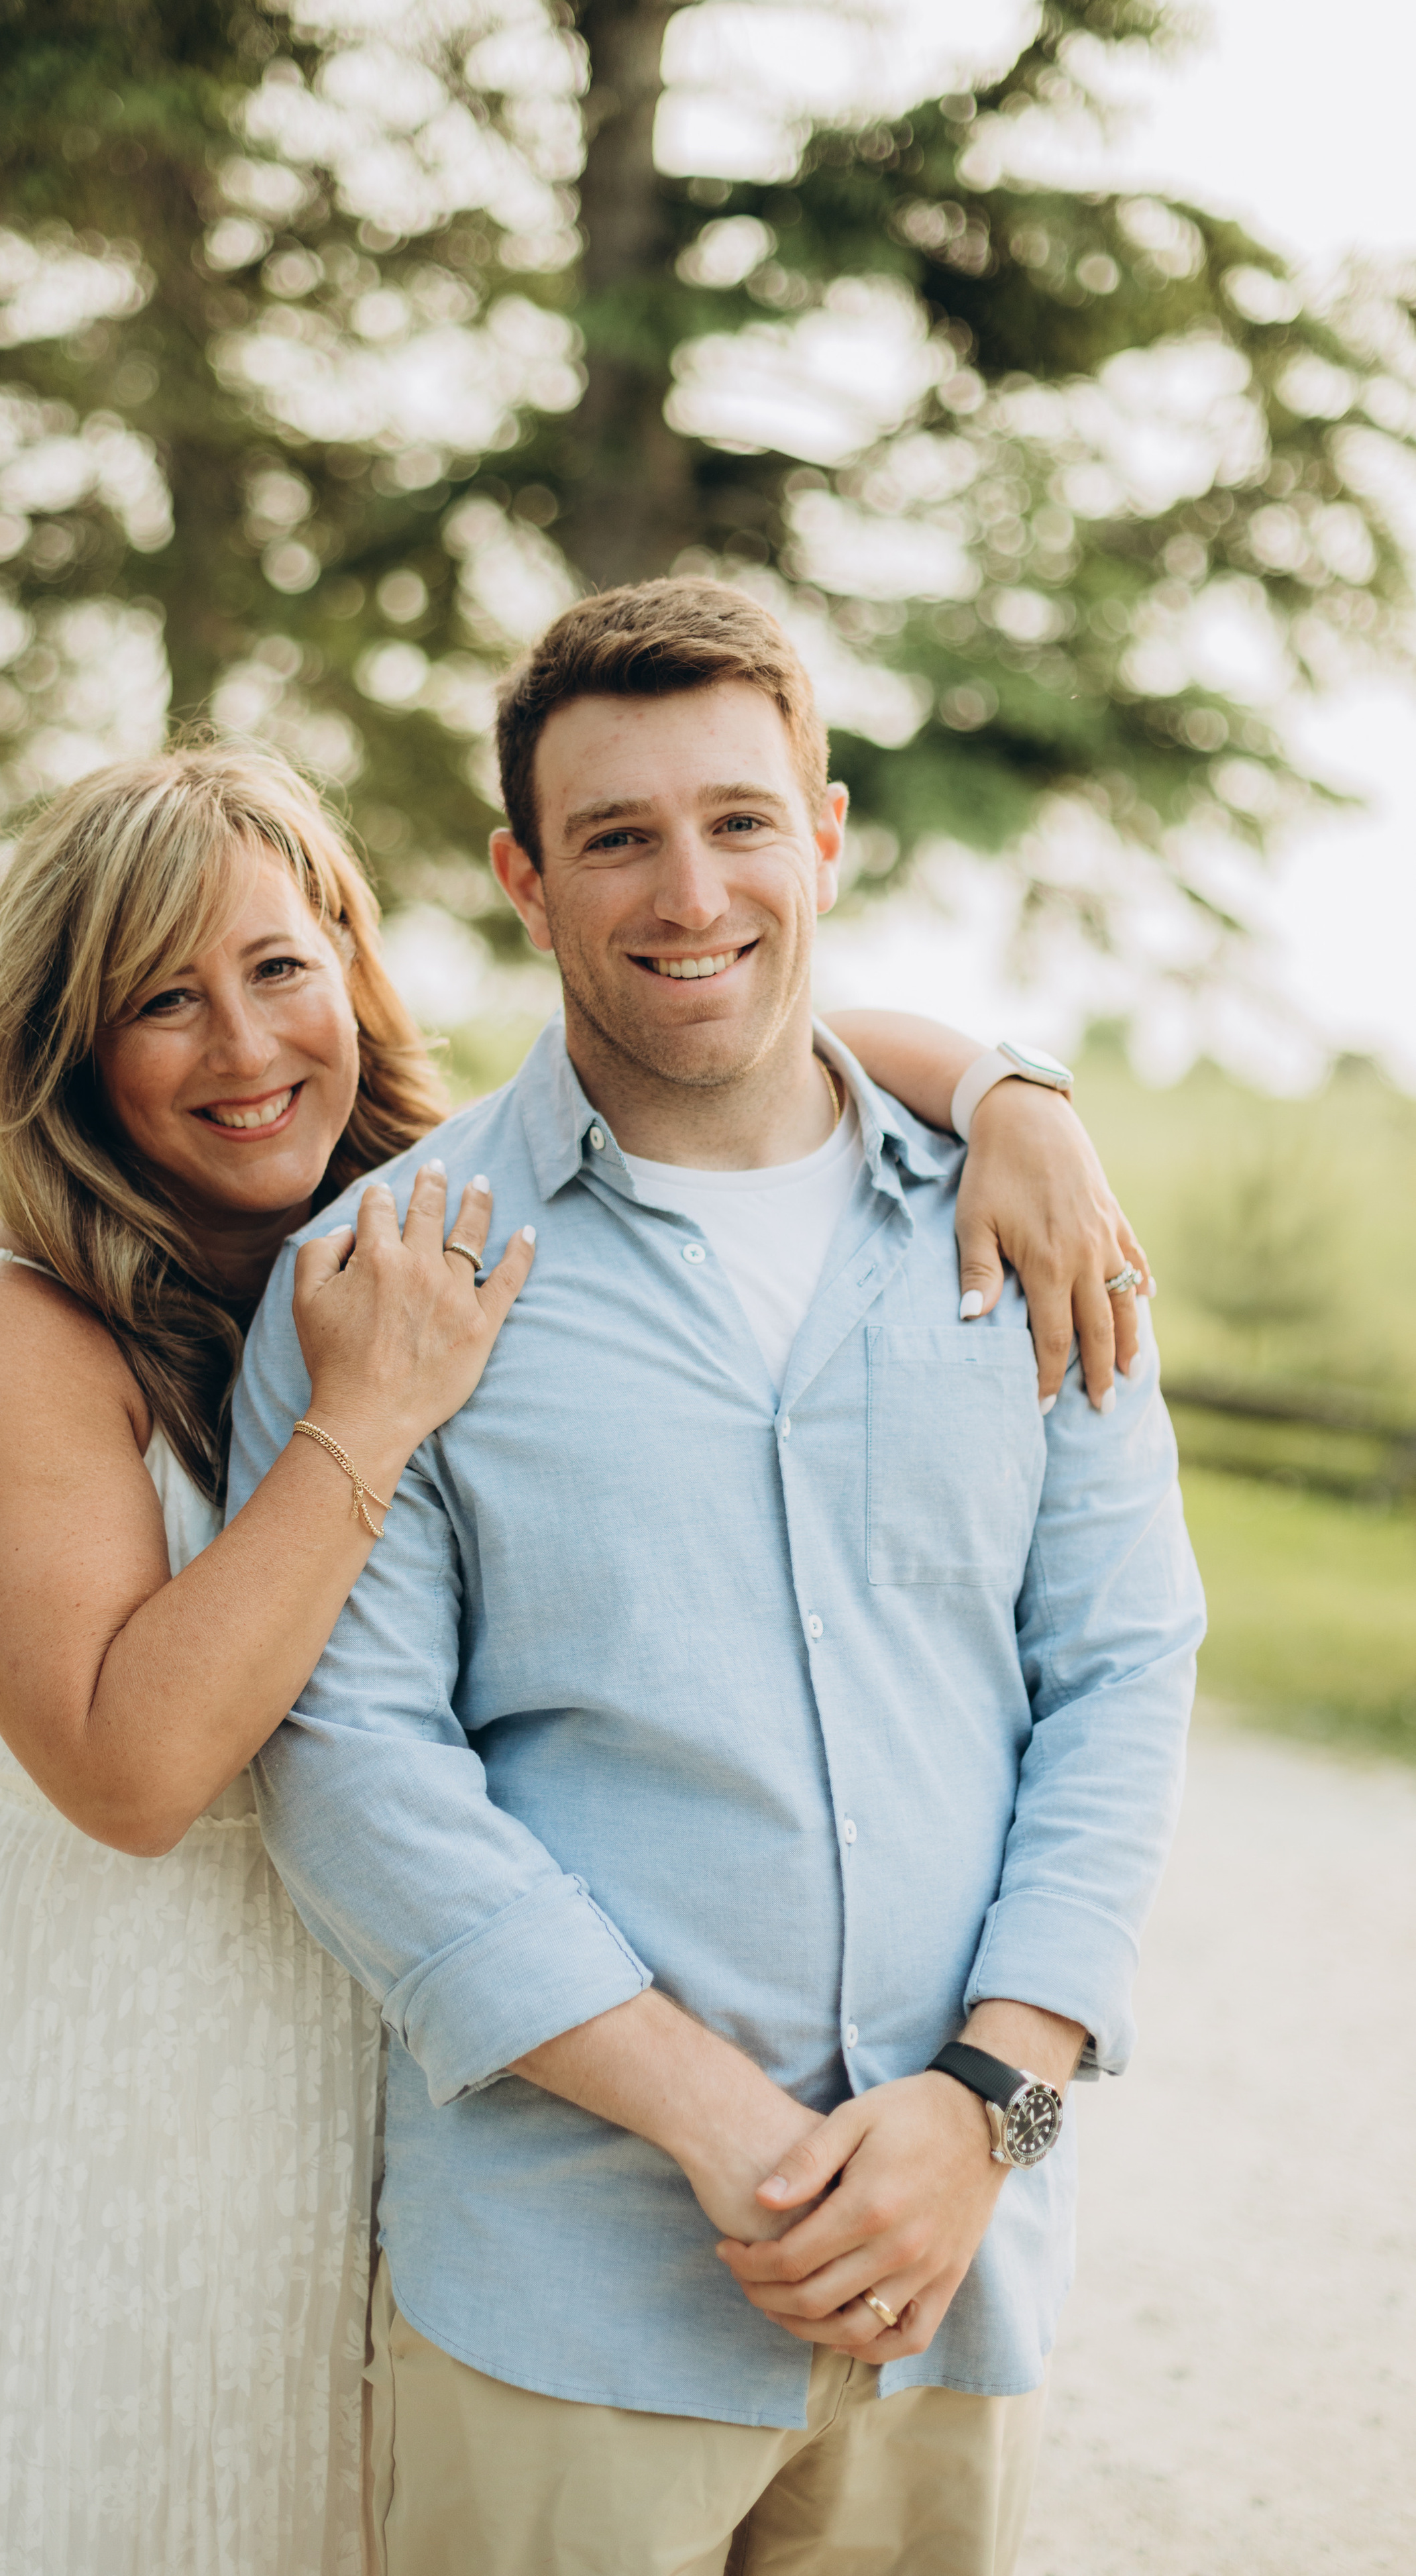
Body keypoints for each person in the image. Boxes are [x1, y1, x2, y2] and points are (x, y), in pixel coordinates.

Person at [0, 738, 1138, 2575]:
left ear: (356, 969)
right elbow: (132, 1771)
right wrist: (360, 1420)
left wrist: (1007, 1090)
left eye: (281, 969)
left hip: (370, 2040)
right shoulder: (7, 1327)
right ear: (67, 1053)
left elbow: (728, 1021)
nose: (246, 1044)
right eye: (160, 1003)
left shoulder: (420, 1218)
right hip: (99, 2042)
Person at [234, 582, 1206, 2576]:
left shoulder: (1027, 1224)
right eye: (617, 837)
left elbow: (1124, 1665)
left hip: (960, 2279)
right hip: (565, 2298)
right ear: (524, 875)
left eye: (741, 821)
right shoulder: (388, 1274)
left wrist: (981, 2108)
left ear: (826, 833)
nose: (693, 889)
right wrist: (728, 2134)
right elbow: (349, 1752)